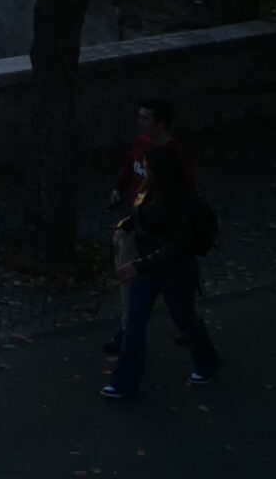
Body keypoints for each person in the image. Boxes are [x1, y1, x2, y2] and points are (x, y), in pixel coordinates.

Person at [102, 148, 222, 400]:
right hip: (147, 268)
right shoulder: (148, 191)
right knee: (134, 323)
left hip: (174, 272)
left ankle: (207, 361)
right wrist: (124, 227)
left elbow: (178, 247)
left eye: (147, 165)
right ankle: (124, 381)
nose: (143, 169)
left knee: (185, 320)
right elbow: (137, 217)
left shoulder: (179, 202)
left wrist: (139, 265)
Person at [104, 97, 194, 355]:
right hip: (138, 226)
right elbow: (129, 169)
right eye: (139, 116)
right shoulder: (141, 144)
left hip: (162, 232)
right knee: (131, 279)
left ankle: (189, 327)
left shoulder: (174, 154)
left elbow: (185, 193)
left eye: (145, 117)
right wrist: (118, 189)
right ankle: (129, 329)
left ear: (160, 123)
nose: (139, 121)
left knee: (170, 284)